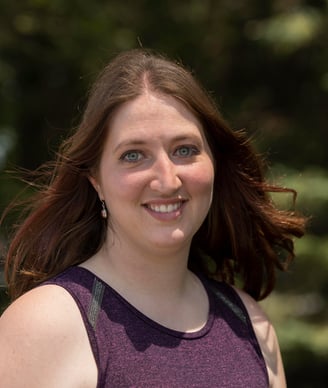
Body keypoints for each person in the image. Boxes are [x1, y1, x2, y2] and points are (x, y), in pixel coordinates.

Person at [0, 48, 306, 387]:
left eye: (185, 150)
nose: (167, 179)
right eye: (133, 155)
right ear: (96, 180)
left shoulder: (248, 321)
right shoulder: (46, 324)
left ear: (214, 163)